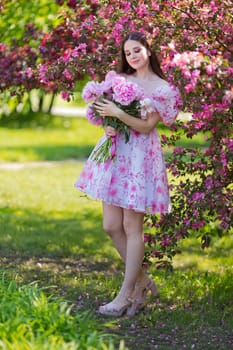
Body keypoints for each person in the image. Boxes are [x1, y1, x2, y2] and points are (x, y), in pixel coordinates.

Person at [75, 31, 181, 317]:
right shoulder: (119, 81)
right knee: (111, 225)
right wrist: (108, 124)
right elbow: (107, 114)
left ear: (149, 49)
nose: (132, 56)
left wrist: (118, 114)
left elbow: (146, 127)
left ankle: (126, 295)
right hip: (115, 153)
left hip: (139, 158)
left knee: (133, 227)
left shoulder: (163, 89)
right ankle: (143, 281)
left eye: (137, 50)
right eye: (127, 53)